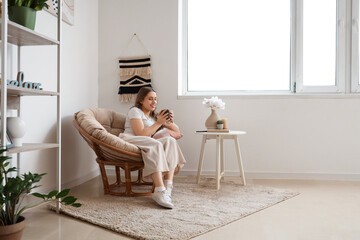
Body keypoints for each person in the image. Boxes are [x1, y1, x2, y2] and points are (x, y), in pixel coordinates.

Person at [119, 87, 186, 209]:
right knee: (156, 144)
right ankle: (159, 190)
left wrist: (167, 121)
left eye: (155, 99)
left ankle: (167, 187)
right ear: (141, 100)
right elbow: (140, 133)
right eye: (150, 99)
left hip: (146, 141)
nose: (154, 102)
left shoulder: (153, 116)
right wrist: (159, 123)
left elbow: (177, 131)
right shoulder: (135, 111)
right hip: (131, 139)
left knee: (170, 140)